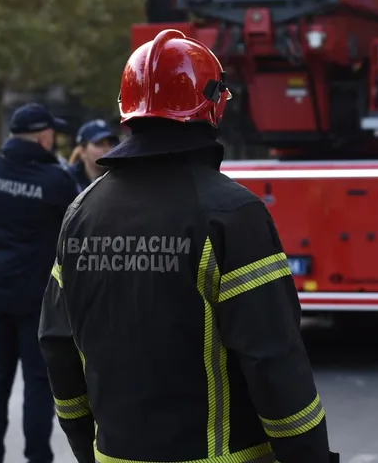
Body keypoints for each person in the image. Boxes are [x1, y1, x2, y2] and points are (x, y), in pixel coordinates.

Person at [38, 29, 338, 463]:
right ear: (213, 105)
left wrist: (90, 449)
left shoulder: (81, 213)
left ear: (128, 110)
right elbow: (273, 361)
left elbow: (57, 346)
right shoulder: (232, 213)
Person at [0, 102, 79, 463]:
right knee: (37, 383)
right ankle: (38, 456)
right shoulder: (55, 181)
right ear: (44, 137)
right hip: (36, 300)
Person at [68, 119, 119, 191]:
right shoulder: (68, 181)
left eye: (110, 144)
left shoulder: (121, 177)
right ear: (83, 151)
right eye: (99, 144)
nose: (107, 149)